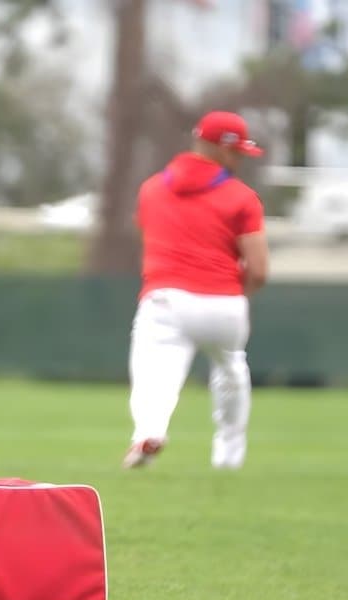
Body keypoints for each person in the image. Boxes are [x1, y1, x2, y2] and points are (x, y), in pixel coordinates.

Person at [122, 111, 269, 470]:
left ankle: (149, 432)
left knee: (154, 372)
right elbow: (260, 269)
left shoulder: (151, 189)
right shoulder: (242, 197)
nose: (238, 161)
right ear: (220, 149)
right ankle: (229, 456)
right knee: (232, 369)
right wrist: (237, 296)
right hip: (225, 303)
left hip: (165, 298)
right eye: (236, 153)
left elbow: (149, 239)